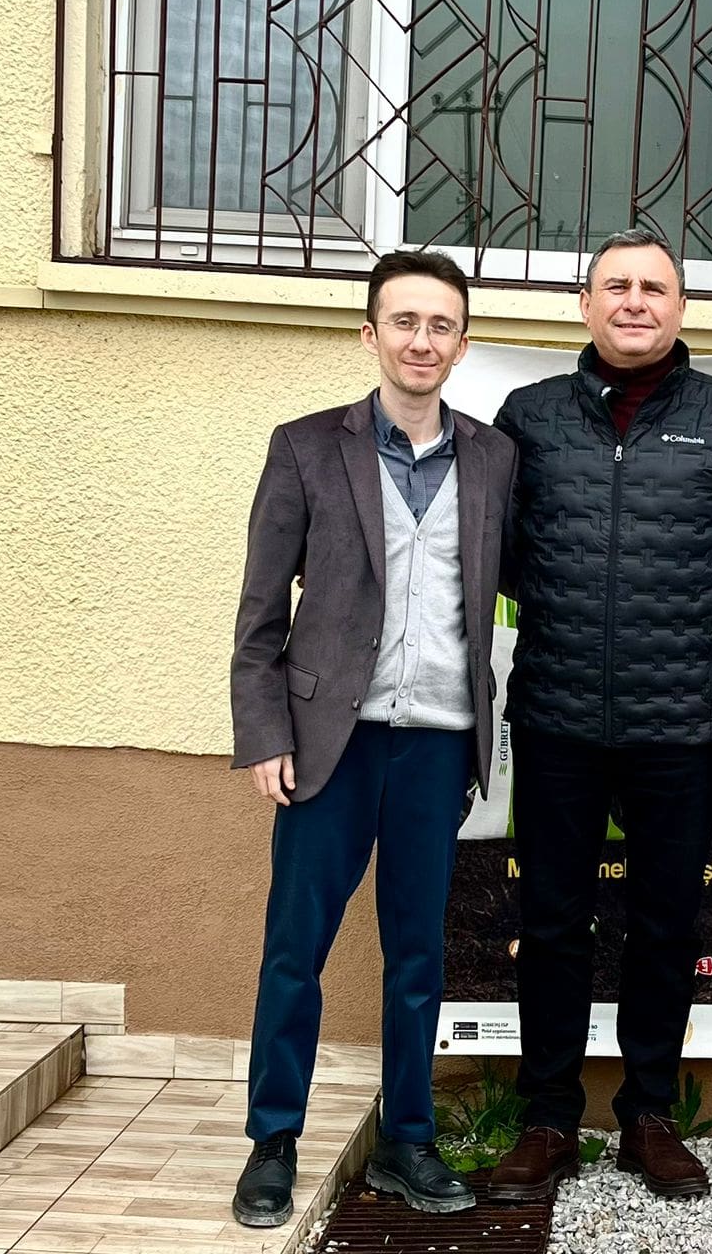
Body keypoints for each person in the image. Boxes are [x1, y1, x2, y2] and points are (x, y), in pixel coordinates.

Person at [487, 229, 712, 1205]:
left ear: (679, 306)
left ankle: (648, 1115)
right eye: (615, 285)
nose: (633, 301)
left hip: (681, 725)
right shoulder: (529, 416)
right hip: (555, 717)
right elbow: (498, 553)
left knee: (664, 924)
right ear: (585, 305)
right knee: (552, 923)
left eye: (653, 287)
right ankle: (546, 1117)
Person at [229, 250, 517, 1227]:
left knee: (417, 954)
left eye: (441, 325)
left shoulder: (492, 458)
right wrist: (264, 731)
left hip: (437, 742)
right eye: (404, 321)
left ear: (462, 344)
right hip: (329, 743)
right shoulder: (306, 447)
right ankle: (274, 1138)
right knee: (295, 947)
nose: (421, 340)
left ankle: (407, 1138)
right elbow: (259, 612)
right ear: (370, 333)